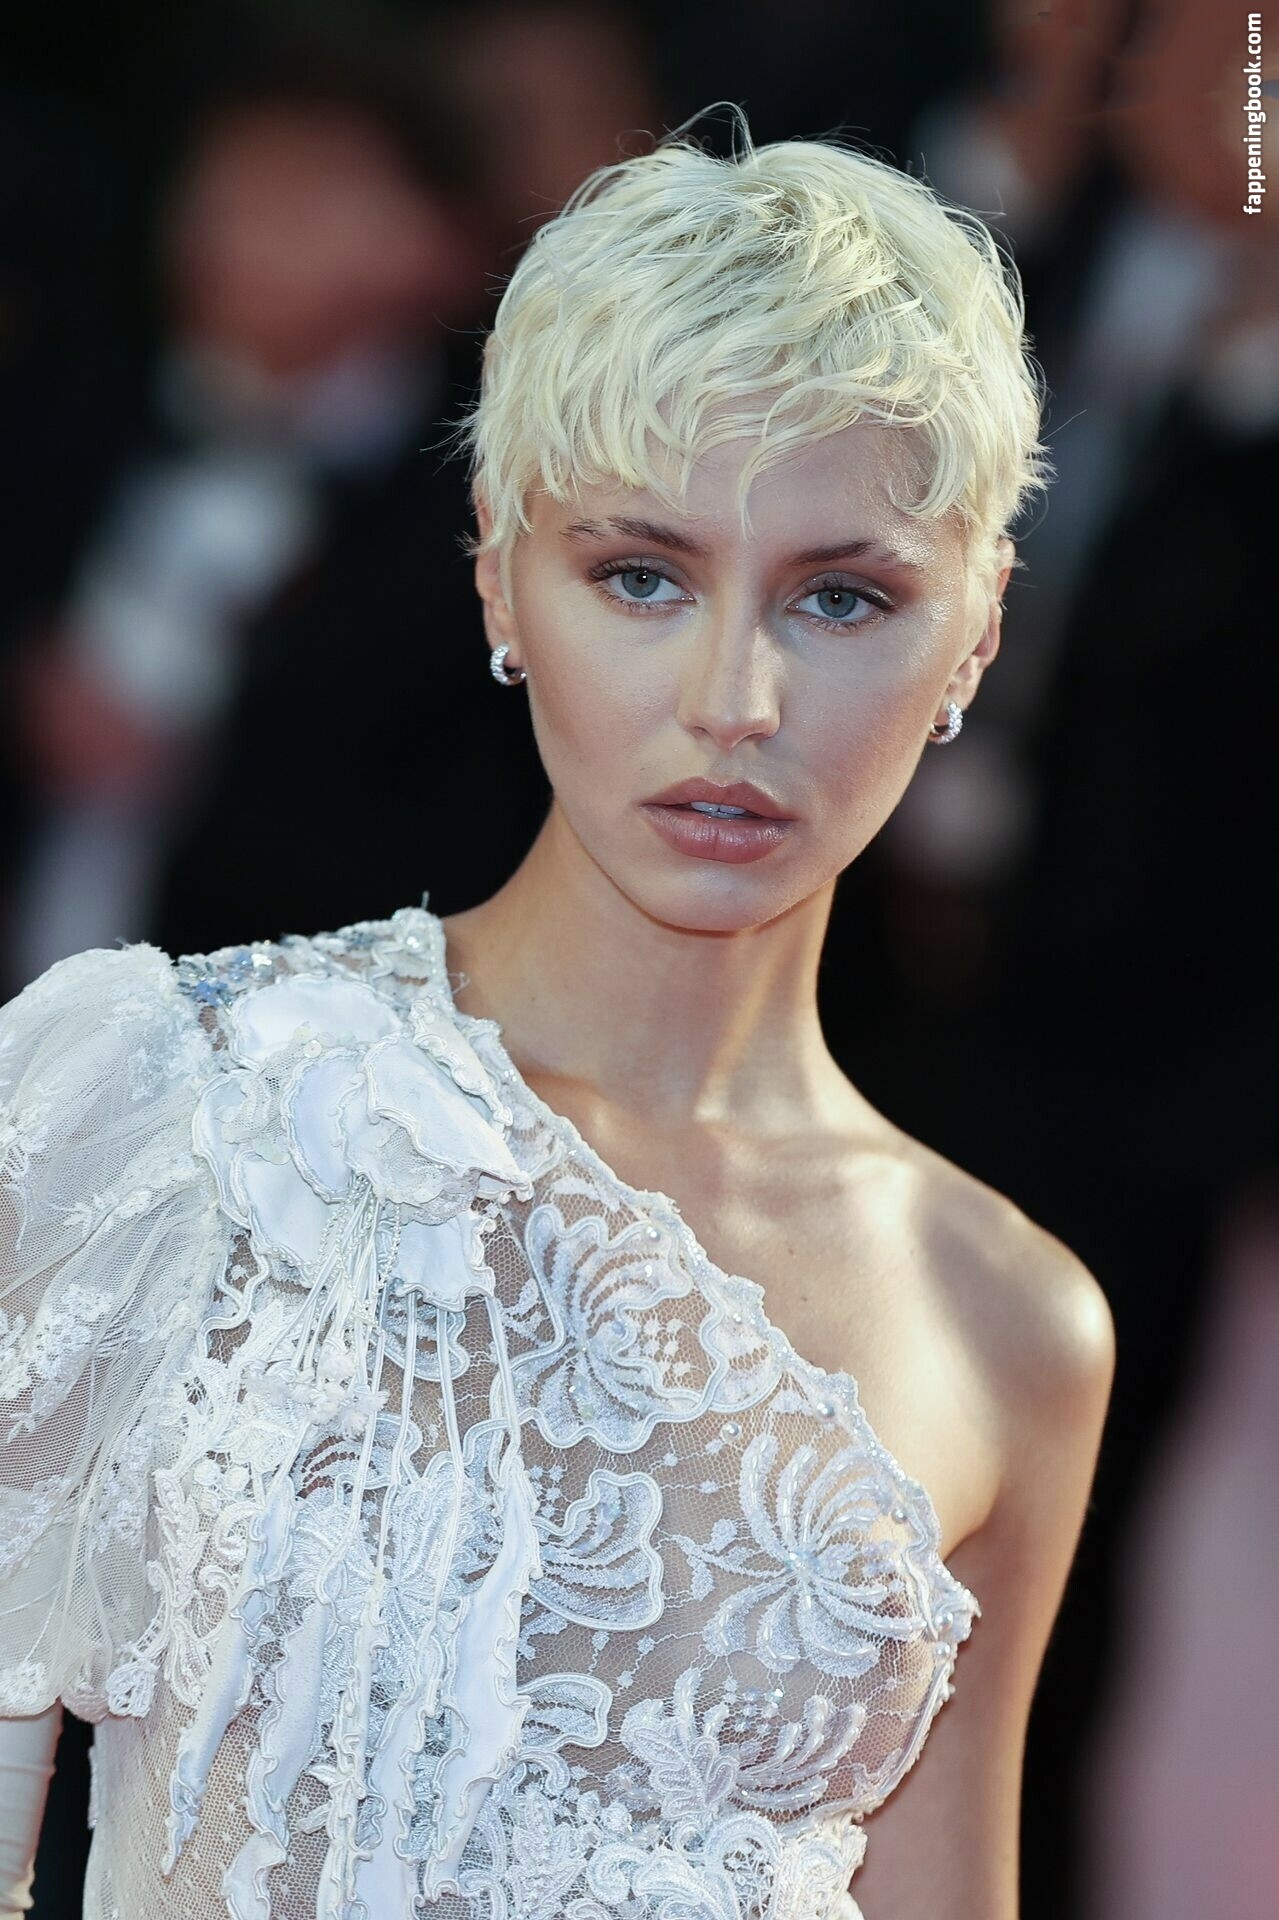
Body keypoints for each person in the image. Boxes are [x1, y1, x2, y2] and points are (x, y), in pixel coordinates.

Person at [0, 111, 1115, 1920]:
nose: (736, 699)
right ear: (498, 574)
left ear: (977, 633)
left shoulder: (1005, 1323)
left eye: (842, 598)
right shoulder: (165, 1109)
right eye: (642, 577)